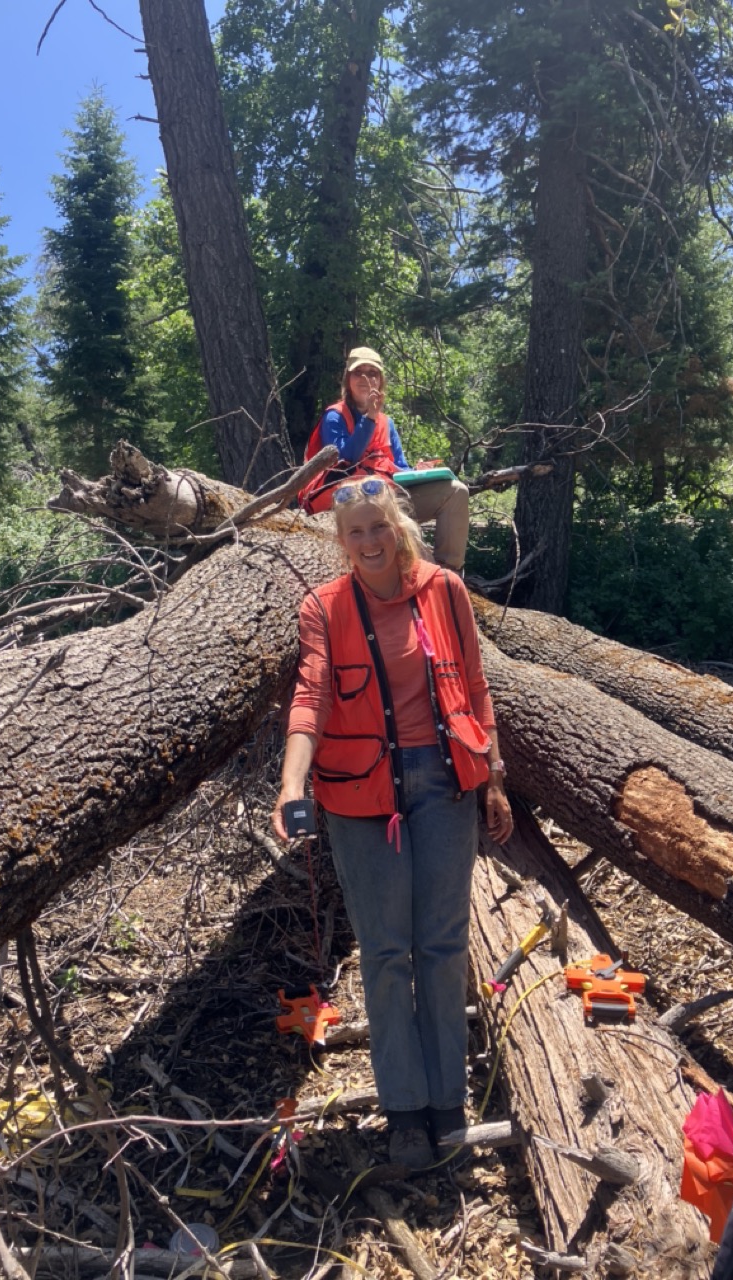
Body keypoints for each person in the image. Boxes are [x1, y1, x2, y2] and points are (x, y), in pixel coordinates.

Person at [272, 478, 513, 1169]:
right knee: (384, 953)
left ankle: (449, 1104)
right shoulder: (324, 607)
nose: (371, 542)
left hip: (443, 783)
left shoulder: (443, 590)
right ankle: (405, 1111)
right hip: (359, 796)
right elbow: (311, 695)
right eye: (357, 532)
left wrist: (493, 779)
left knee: (441, 945)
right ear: (341, 541)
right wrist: (293, 782)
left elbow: (474, 684)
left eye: (380, 526)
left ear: (399, 525)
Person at [298, 347, 471, 573]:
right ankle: (422, 576)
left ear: (380, 381)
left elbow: (399, 468)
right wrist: (369, 417)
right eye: (358, 372)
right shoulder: (335, 416)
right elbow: (346, 459)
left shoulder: (386, 423)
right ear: (348, 379)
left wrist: (418, 472)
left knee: (457, 491)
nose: (366, 379)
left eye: (373, 373)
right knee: (405, 528)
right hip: (349, 500)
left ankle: (449, 573)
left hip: (388, 494)